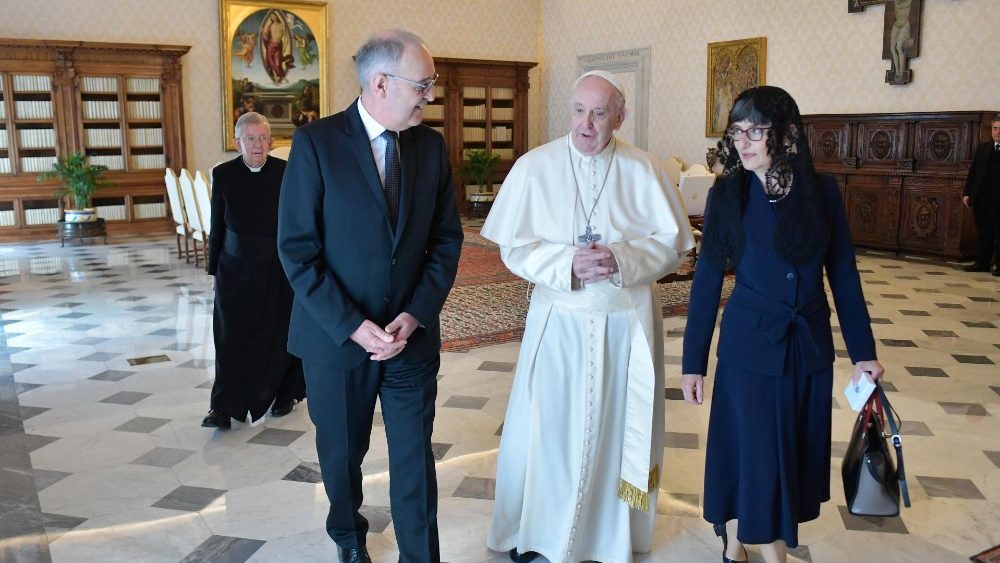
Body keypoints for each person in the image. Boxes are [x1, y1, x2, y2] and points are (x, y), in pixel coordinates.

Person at [482, 70, 695, 563]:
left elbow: (672, 248)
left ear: (620, 117)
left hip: (626, 322)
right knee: (551, 429)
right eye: (579, 110)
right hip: (560, 320)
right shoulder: (536, 168)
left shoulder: (645, 169)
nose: (587, 123)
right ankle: (540, 535)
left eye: (600, 113)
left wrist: (623, 259)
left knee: (621, 430)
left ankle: (610, 538)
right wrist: (565, 264)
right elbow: (514, 249)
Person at [277, 29, 463, 563]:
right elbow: (297, 251)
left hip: (410, 340)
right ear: (381, 83)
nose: (429, 95)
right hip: (336, 341)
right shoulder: (317, 144)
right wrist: (353, 325)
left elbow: (446, 240)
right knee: (341, 457)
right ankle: (349, 538)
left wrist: (416, 313)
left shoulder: (429, 146)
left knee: (413, 460)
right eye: (422, 85)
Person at [680, 86, 885, 563]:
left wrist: (864, 354)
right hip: (750, 347)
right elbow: (706, 283)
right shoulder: (726, 194)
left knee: (786, 452)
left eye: (757, 131)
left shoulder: (823, 192)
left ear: (787, 134)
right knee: (755, 452)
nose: (744, 142)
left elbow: (845, 275)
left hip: (806, 345)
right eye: (737, 131)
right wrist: (694, 363)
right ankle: (772, 553)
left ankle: (735, 544)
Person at [202, 111, 305, 429]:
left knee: (279, 331)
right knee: (230, 335)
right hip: (234, 269)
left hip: (278, 269)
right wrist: (214, 271)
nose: (257, 145)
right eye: (250, 138)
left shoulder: (287, 173)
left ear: (271, 142)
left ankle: (284, 393)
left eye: (262, 138)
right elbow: (216, 225)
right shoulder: (223, 174)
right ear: (237, 142)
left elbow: (299, 221)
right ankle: (223, 406)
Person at [961, 115, 1000, 275]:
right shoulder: (983, 148)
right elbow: (974, 172)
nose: (998, 132)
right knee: (984, 231)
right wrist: (967, 193)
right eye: (995, 128)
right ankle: (982, 262)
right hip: (982, 198)